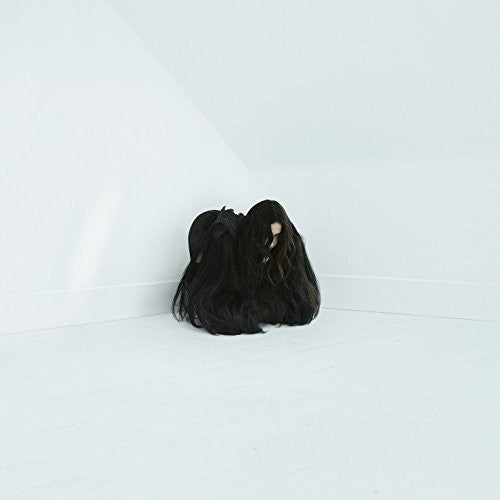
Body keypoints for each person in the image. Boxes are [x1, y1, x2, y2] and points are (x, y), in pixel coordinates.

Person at [171, 200, 320, 335]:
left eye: (276, 237)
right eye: (267, 236)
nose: (271, 243)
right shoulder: (225, 240)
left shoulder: (290, 244)